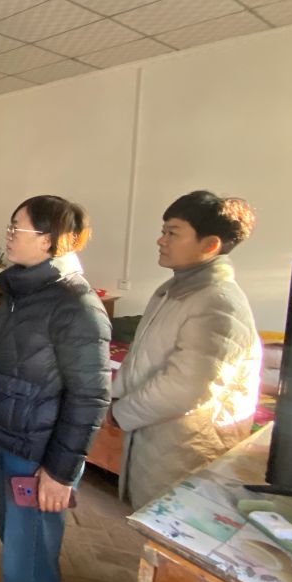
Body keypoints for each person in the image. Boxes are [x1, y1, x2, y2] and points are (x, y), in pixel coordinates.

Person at [0, 195, 110, 582]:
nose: (8, 236)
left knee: (28, 563)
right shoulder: (23, 291)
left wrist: (60, 473)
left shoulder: (76, 305)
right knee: (15, 546)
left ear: (48, 240)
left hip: (38, 454)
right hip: (11, 437)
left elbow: (89, 397)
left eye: (17, 228)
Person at [110, 191, 260, 509]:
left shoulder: (218, 301)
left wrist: (121, 412)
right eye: (163, 231)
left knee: (165, 524)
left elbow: (187, 387)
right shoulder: (172, 290)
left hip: (185, 446)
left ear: (210, 245)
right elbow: (143, 358)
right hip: (156, 437)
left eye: (173, 233)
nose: (161, 240)